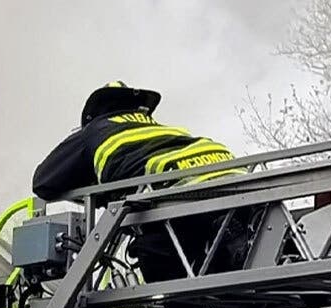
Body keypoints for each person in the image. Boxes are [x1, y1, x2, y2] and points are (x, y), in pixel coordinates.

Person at [32, 81, 250, 282]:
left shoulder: (95, 129)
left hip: (181, 192)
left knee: (151, 246)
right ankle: (234, 234)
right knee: (195, 240)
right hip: (230, 174)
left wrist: (93, 183)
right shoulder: (161, 128)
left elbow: (43, 181)